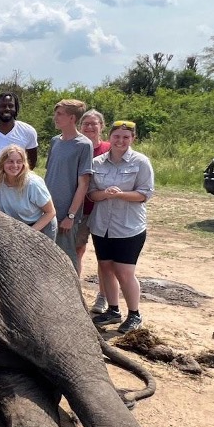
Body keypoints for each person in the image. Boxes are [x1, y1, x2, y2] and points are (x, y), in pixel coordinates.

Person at [89, 121, 155, 334]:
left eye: (126, 137)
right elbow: (91, 194)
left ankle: (134, 314)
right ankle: (113, 310)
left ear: (133, 139)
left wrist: (119, 195)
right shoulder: (98, 162)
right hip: (101, 227)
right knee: (106, 268)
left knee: (124, 272)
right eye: (117, 136)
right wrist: (105, 194)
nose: (120, 141)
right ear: (110, 136)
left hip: (129, 227)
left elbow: (145, 194)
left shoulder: (141, 162)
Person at [44, 98, 93, 272]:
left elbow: (84, 184)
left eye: (60, 114)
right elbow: (49, 173)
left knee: (66, 260)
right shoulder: (54, 141)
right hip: (47, 210)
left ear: (72, 118)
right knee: (45, 256)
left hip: (66, 214)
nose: (55, 117)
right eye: (55, 113)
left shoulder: (84, 145)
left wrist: (71, 216)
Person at [77, 109, 113, 313]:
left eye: (94, 123)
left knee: (104, 257)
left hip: (103, 209)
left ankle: (103, 297)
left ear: (102, 126)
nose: (90, 127)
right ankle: (76, 292)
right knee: (77, 251)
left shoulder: (109, 149)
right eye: (86, 124)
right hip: (80, 209)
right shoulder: (77, 147)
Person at [0, 144, 57, 239]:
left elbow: (50, 212)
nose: (15, 165)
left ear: (24, 163)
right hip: (14, 227)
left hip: (40, 225)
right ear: (2, 163)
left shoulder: (33, 184)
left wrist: (28, 234)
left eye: (19, 162)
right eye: (10, 161)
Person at [0, 92, 38, 168]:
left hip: (20, 179)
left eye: (11, 106)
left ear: (16, 109)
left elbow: (31, 163)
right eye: (3, 106)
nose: (7, 109)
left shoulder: (28, 131)